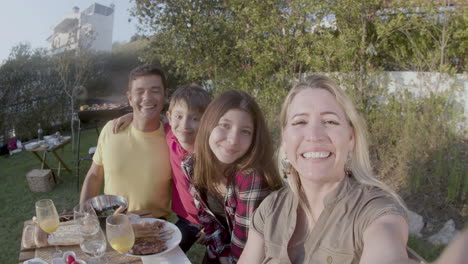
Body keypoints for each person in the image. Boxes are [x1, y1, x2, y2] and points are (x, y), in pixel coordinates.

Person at [239, 75, 410, 263]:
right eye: (300, 122)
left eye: (330, 121)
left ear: (350, 138)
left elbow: (385, 244)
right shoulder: (269, 210)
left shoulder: (375, 211)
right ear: (285, 138)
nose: (314, 135)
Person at [181, 90, 283, 264]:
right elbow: (209, 219)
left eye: (245, 131)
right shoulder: (191, 165)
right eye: (225, 125)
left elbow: (243, 251)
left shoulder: (252, 179)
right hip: (221, 251)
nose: (233, 139)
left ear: (254, 139)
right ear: (208, 125)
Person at [113, 84, 211, 252]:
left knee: (169, 251)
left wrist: (213, 227)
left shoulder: (209, 153)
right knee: (158, 248)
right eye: (179, 116)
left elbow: (223, 196)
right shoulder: (171, 134)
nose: (185, 125)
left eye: (195, 119)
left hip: (207, 222)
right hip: (185, 217)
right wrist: (132, 115)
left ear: (207, 122)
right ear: (170, 117)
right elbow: (150, 120)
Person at [79, 65, 172, 219]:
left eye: (155, 90)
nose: (147, 97)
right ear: (129, 98)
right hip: (115, 224)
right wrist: (83, 214)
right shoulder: (110, 131)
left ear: (165, 95)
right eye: (139, 91)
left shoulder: (173, 139)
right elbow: (94, 175)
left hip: (156, 228)